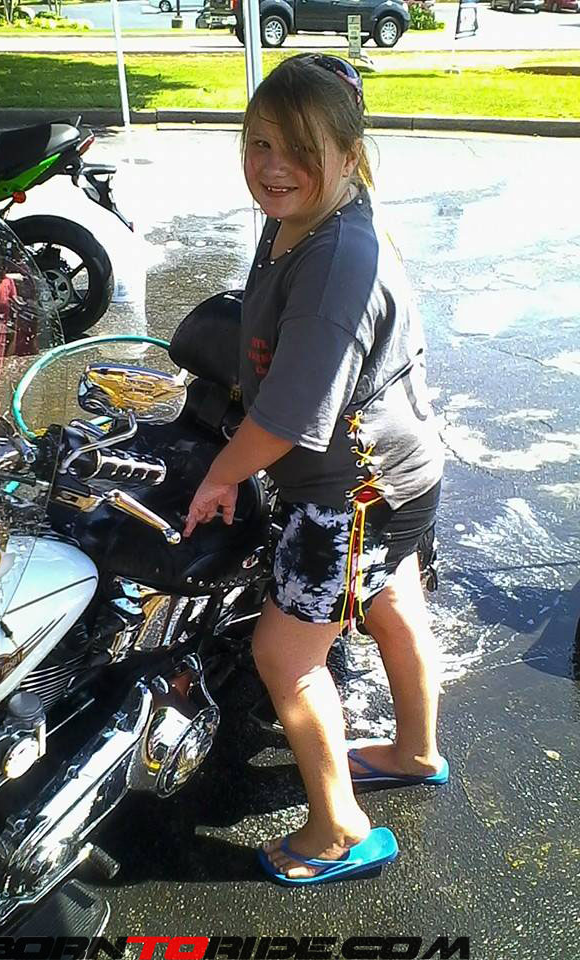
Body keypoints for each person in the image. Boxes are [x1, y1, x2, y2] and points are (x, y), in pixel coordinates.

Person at [183, 54, 446, 886]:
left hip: (353, 493)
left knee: (285, 655)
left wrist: (221, 475)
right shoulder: (310, 212)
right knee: (393, 603)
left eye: (299, 148)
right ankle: (414, 752)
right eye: (259, 143)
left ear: (349, 152)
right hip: (400, 471)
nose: (272, 166)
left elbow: (289, 420)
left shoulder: (337, 260)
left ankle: (337, 831)